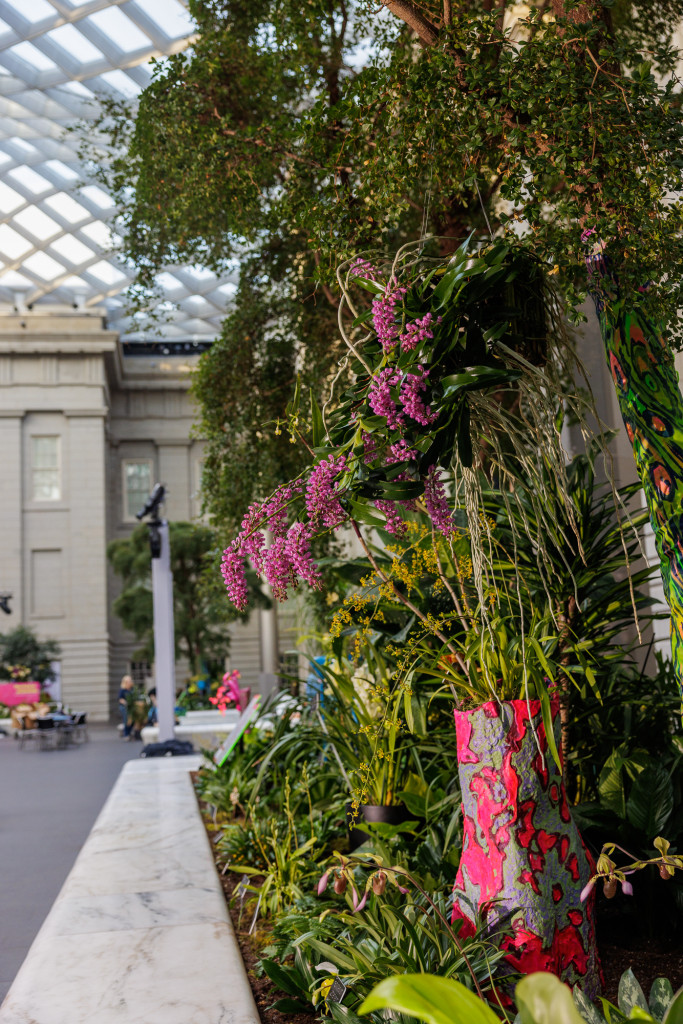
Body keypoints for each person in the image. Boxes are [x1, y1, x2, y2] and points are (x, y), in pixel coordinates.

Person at [118, 674, 134, 740]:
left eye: (130, 681)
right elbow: (120, 699)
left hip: (131, 707)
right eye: (128, 681)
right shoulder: (122, 690)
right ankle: (126, 734)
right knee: (126, 719)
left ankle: (129, 732)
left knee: (132, 720)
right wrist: (126, 702)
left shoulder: (132, 689)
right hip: (124, 707)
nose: (129, 682)